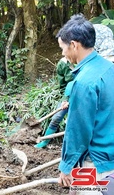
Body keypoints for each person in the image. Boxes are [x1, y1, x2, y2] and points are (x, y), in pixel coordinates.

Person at [56, 14, 114, 195]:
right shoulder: (108, 68)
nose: (63, 54)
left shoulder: (84, 82)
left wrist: (66, 166)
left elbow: (78, 131)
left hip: (96, 162)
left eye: (63, 48)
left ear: (74, 45)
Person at [34, 57, 73, 148]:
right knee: (57, 117)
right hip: (68, 94)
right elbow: (63, 85)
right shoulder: (63, 63)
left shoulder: (85, 61)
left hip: (84, 96)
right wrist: (66, 98)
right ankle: (44, 141)